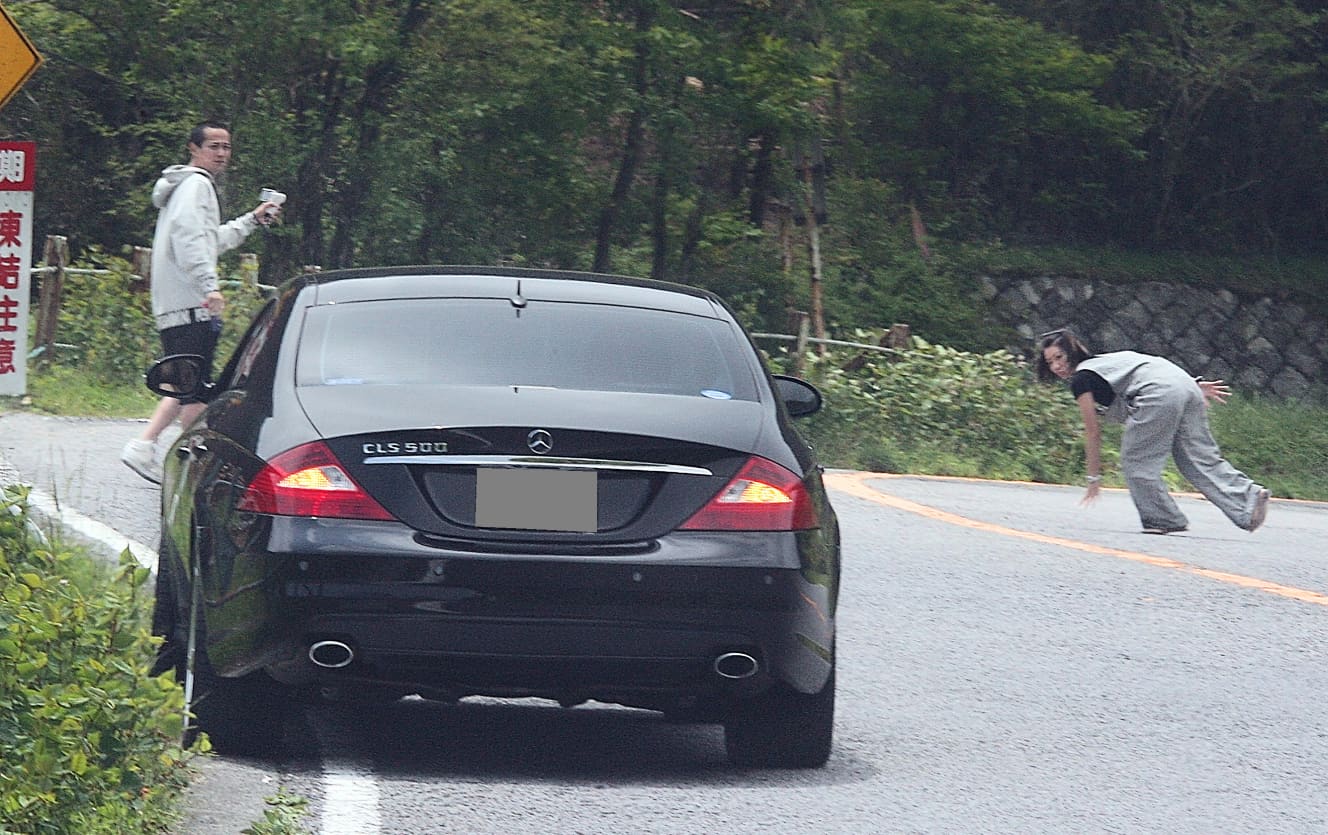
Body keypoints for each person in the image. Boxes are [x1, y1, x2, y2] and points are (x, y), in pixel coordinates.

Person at [120, 121, 281, 483]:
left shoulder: (187, 187)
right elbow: (192, 241)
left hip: (179, 302)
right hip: (190, 303)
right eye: (214, 146)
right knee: (192, 385)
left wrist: (252, 220)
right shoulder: (196, 186)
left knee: (190, 386)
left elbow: (211, 241)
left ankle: (180, 460)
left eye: (226, 147)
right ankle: (162, 454)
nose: (222, 153)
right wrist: (209, 287)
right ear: (193, 148)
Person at [1036, 328, 1270, 534]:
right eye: (1050, 362)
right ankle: (1248, 499)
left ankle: (1163, 519)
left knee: (1137, 462)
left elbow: (1092, 432)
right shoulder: (1108, 361)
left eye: (1060, 357)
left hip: (1160, 393)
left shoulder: (1082, 379)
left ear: (1072, 352)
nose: (1057, 366)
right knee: (1200, 458)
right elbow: (1149, 370)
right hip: (1182, 384)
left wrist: (1093, 479)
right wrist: (1192, 385)